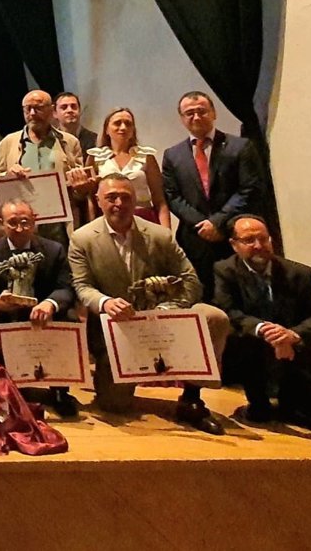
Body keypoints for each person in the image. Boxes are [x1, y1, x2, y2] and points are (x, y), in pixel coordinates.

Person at [68, 174, 230, 434]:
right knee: (114, 405)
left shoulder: (160, 235)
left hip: (165, 324)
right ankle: (110, 379)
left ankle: (192, 397)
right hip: (117, 332)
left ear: (135, 201)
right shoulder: (81, 238)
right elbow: (82, 287)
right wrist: (106, 303)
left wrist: (166, 311)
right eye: (111, 197)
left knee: (213, 316)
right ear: (98, 201)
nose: (119, 203)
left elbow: (191, 280)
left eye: (125, 197)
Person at [213, 215, 311, 430]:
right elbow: (228, 311)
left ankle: (289, 403)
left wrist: (292, 335)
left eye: (263, 239)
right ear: (234, 244)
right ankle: (259, 402)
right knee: (236, 338)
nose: (258, 246)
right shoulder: (225, 271)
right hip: (252, 347)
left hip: (295, 349)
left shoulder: (300, 273)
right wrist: (264, 330)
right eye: (249, 240)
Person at [0, 199, 78, 416]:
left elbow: (66, 288)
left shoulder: (54, 250)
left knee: (69, 317)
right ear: (1, 223)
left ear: (35, 220)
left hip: (43, 315)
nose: (20, 228)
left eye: (25, 222)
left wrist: (50, 304)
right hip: (6, 317)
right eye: (12, 223)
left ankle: (60, 390)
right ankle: (5, 385)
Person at [162, 90, 265, 298]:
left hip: (233, 234)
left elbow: (249, 188)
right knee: (203, 299)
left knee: (242, 296)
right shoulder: (172, 155)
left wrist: (217, 222)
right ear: (182, 118)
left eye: (202, 111)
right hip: (195, 239)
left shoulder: (240, 147)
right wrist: (202, 224)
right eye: (189, 113)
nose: (196, 117)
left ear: (214, 113)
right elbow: (172, 196)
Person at [0, 90, 94, 243]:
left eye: (38, 108)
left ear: (51, 110)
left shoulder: (69, 142)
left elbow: (78, 187)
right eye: (28, 109)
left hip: (59, 223)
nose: (32, 113)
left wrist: (80, 187)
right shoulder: (8, 142)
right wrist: (8, 175)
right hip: (22, 223)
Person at [87, 107, 170, 227]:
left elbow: (160, 200)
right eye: (117, 123)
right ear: (106, 129)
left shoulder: (145, 156)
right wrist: (92, 227)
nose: (123, 127)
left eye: (128, 124)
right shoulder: (95, 157)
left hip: (143, 218)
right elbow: (91, 198)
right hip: (108, 220)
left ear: (133, 130)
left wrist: (166, 231)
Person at [54, 92, 97, 160]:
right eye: (64, 107)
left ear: (79, 111)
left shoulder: (94, 140)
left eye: (73, 106)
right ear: (55, 113)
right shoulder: (51, 141)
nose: (70, 110)